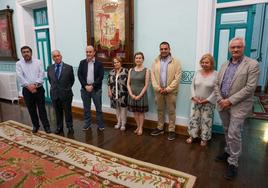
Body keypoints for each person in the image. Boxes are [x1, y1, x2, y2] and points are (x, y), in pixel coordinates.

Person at [214, 37, 260, 180]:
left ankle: (233, 162)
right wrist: (221, 100)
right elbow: (216, 84)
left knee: (234, 133)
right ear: (229, 49)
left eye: (238, 47)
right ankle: (228, 151)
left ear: (243, 48)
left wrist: (230, 101)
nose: (235, 49)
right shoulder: (224, 64)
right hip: (223, 104)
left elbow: (250, 88)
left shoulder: (252, 64)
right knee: (227, 130)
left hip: (239, 105)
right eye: (233, 47)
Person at [16, 46, 51, 134]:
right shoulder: (19, 64)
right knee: (31, 109)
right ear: (22, 54)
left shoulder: (38, 62)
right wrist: (29, 87)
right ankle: (36, 125)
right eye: (23, 52)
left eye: (27, 51)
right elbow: (20, 76)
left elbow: (42, 74)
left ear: (31, 52)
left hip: (38, 89)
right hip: (27, 90)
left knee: (42, 108)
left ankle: (46, 126)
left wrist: (35, 85)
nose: (26, 53)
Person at [150, 42, 182, 141]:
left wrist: (168, 89)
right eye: (162, 49)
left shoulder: (176, 62)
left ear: (169, 49)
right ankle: (160, 128)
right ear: (160, 50)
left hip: (171, 91)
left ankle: (171, 130)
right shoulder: (155, 61)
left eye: (165, 49)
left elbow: (177, 78)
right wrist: (158, 88)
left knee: (171, 111)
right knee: (160, 110)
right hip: (158, 91)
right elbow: (153, 77)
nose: (163, 51)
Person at [186, 53, 217, 146]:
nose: (204, 64)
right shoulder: (197, 72)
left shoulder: (216, 74)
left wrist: (207, 100)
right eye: (202, 62)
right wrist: (194, 96)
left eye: (206, 62)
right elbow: (192, 85)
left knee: (206, 121)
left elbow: (216, 90)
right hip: (196, 101)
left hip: (208, 103)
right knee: (193, 119)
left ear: (211, 63)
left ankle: (204, 138)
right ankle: (192, 136)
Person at [47, 50, 75, 134]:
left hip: (66, 94)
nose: (57, 58)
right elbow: (50, 80)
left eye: (58, 56)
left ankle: (70, 127)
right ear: (52, 58)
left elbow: (72, 80)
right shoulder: (49, 68)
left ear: (61, 56)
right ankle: (59, 127)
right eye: (54, 56)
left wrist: (66, 88)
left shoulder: (69, 67)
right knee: (57, 112)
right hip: (55, 94)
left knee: (68, 112)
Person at [78, 45, 105, 131]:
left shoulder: (99, 64)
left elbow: (100, 77)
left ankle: (100, 124)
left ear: (94, 53)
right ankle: (87, 124)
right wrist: (86, 85)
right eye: (87, 52)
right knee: (86, 108)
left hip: (96, 89)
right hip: (85, 89)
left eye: (90, 52)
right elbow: (80, 75)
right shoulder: (82, 63)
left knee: (98, 108)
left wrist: (92, 86)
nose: (88, 53)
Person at [127, 52, 149, 135]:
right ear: (134, 59)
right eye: (136, 58)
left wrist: (139, 95)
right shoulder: (131, 70)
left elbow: (146, 85)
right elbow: (128, 84)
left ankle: (141, 128)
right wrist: (131, 94)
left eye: (140, 58)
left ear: (143, 59)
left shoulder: (146, 70)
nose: (138, 59)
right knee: (135, 112)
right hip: (132, 94)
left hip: (141, 94)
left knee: (140, 112)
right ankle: (137, 126)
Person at [108, 57, 128, 131]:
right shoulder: (111, 72)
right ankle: (118, 122)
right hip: (113, 93)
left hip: (123, 93)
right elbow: (109, 83)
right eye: (114, 62)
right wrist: (109, 91)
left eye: (117, 62)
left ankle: (123, 124)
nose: (116, 64)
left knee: (123, 109)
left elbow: (129, 83)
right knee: (117, 109)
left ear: (121, 62)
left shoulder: (126, 71)